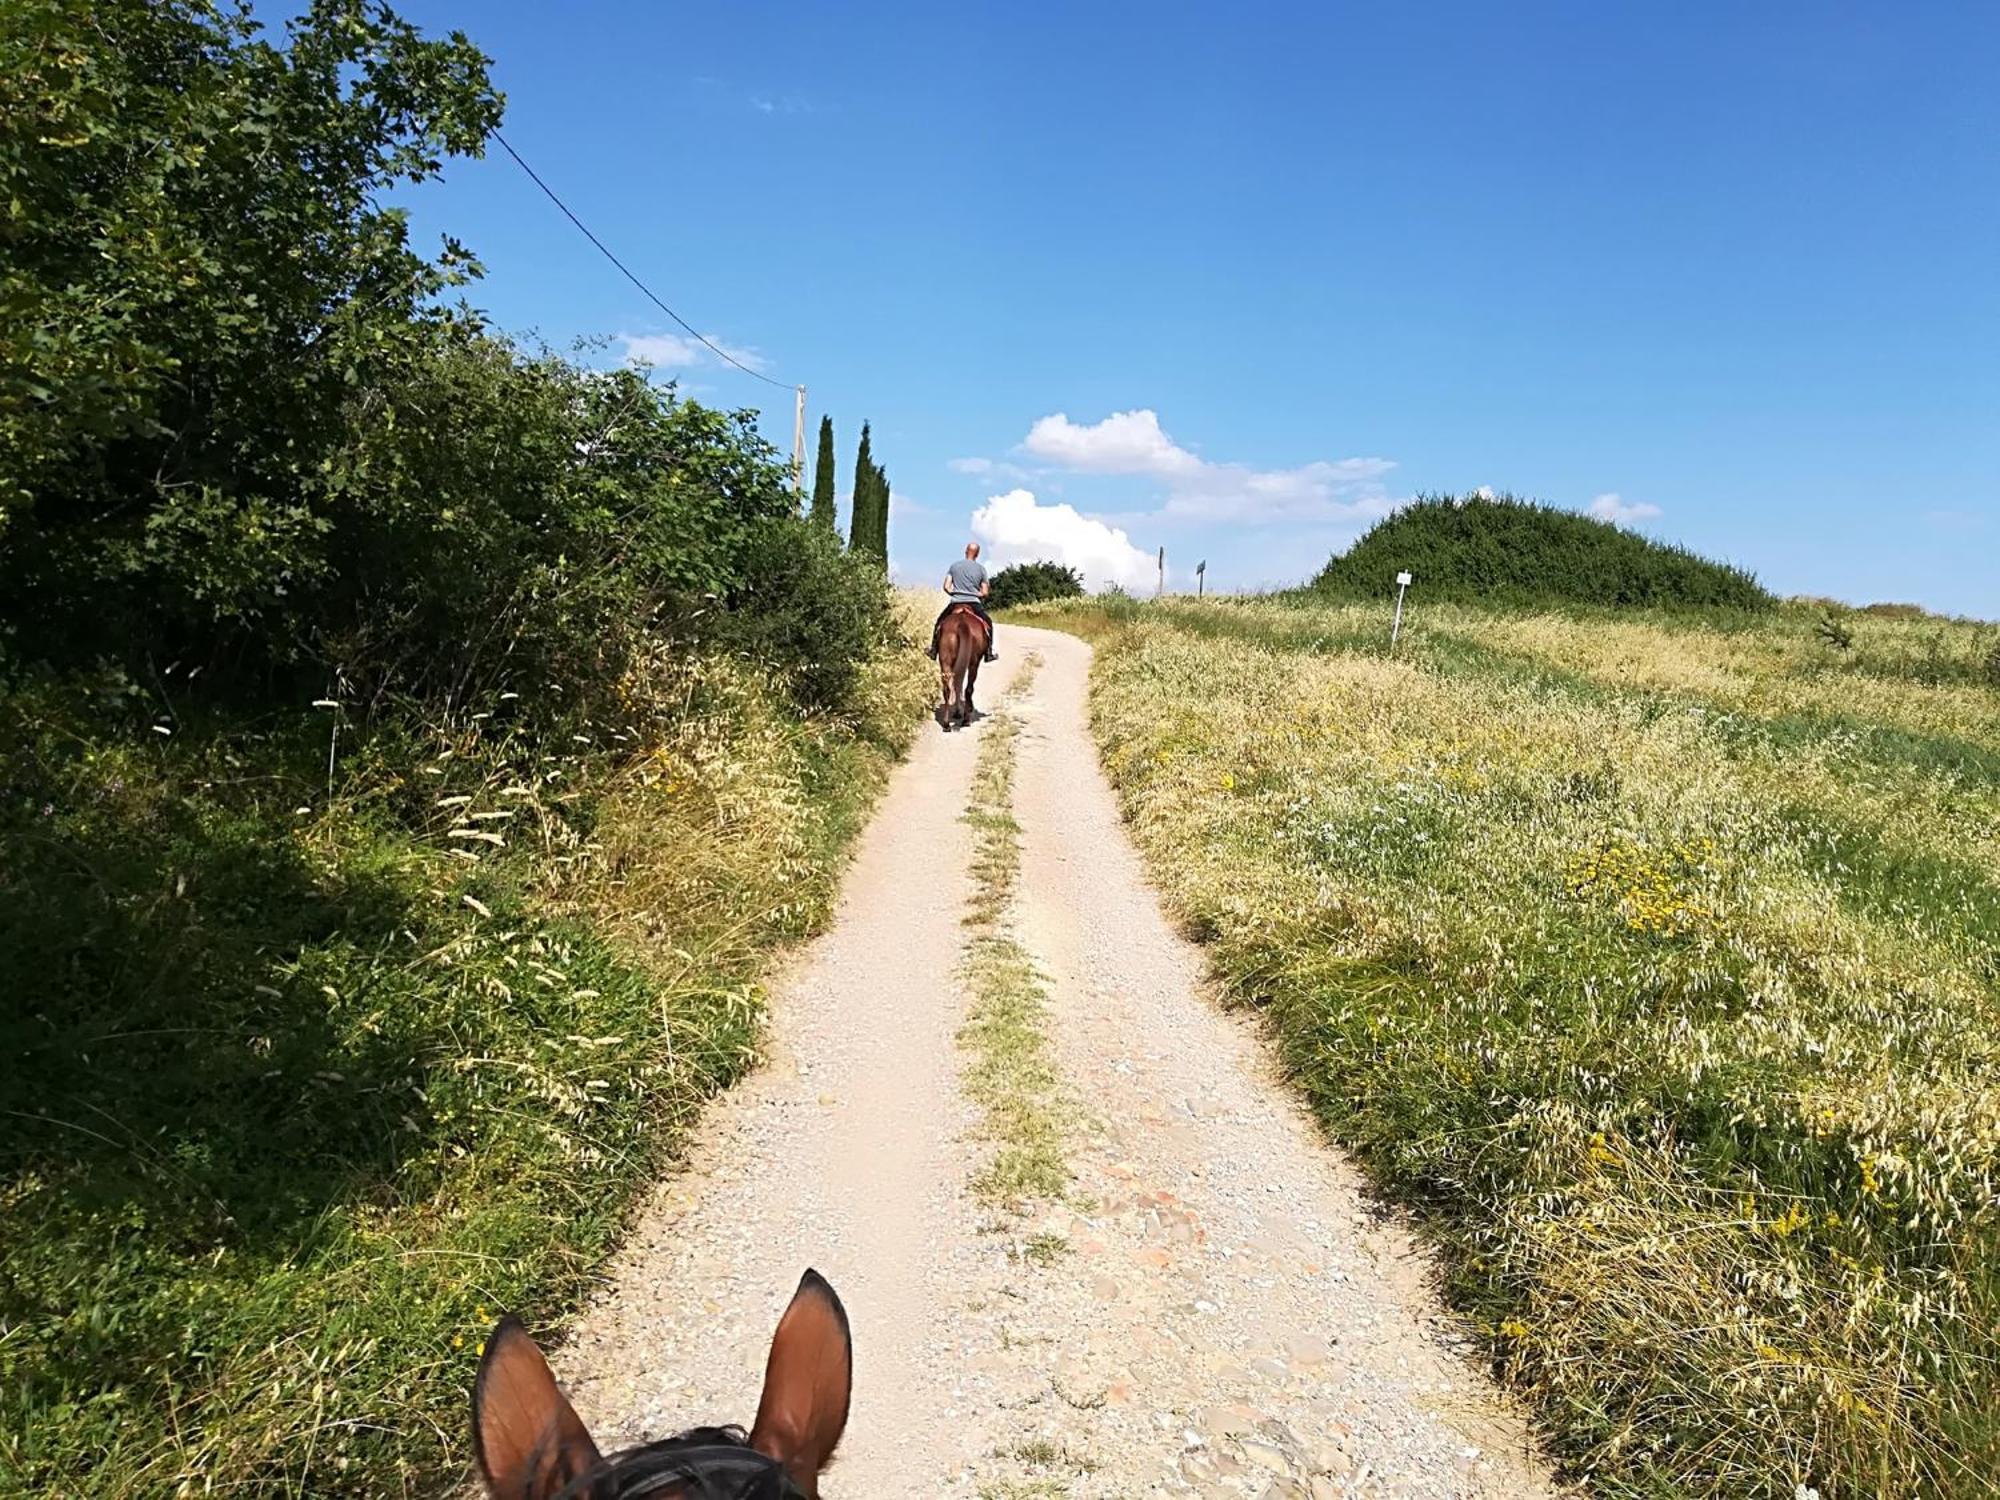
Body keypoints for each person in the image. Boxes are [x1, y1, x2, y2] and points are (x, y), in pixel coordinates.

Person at [927, 541, 999, 662]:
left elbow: (946, 586)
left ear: (966, 551)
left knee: (939, 622)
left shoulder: (954, 566)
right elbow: (985, 592)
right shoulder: (981, 570)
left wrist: (954, 593)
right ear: (977, 554)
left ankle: (933, 650)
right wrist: (976, 594)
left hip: (956, 602)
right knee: (988, 623)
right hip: (974, 603)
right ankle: (989, 653)